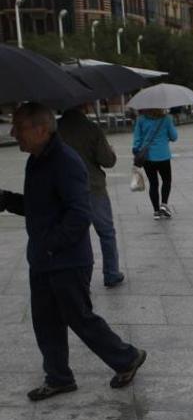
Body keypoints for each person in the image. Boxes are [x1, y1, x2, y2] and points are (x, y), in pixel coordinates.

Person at [0, 102, 146, 401]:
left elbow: (79, 214)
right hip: (43, 258)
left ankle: (127, 357)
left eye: (19, 127)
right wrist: (5, 200)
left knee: (79, 317)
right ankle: (59, 377)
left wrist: (51, 244)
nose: (13, 133)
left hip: (66, 259)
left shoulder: (66, 161)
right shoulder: (37, 160)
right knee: (45, 321)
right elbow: (37, 207)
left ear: (41, 129)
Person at [57, 105, 125, 287]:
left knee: (72, 235)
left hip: (64, 190)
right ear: (84, 105)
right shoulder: (91, 128)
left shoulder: (54, 129)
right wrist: (111, 151)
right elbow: (107, 161)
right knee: (106, 233)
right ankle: (111, 273)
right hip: (92, 187)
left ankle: (74, 277)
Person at [132, 109, 178, 220]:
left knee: (153, 183)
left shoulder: (141, 120)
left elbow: (137, 139)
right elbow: (174, 137)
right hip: (163, 156)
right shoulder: (167, 119)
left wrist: (136, 151)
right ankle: (164, 205)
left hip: (148, 157)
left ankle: (156, 211)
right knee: (166, 180)